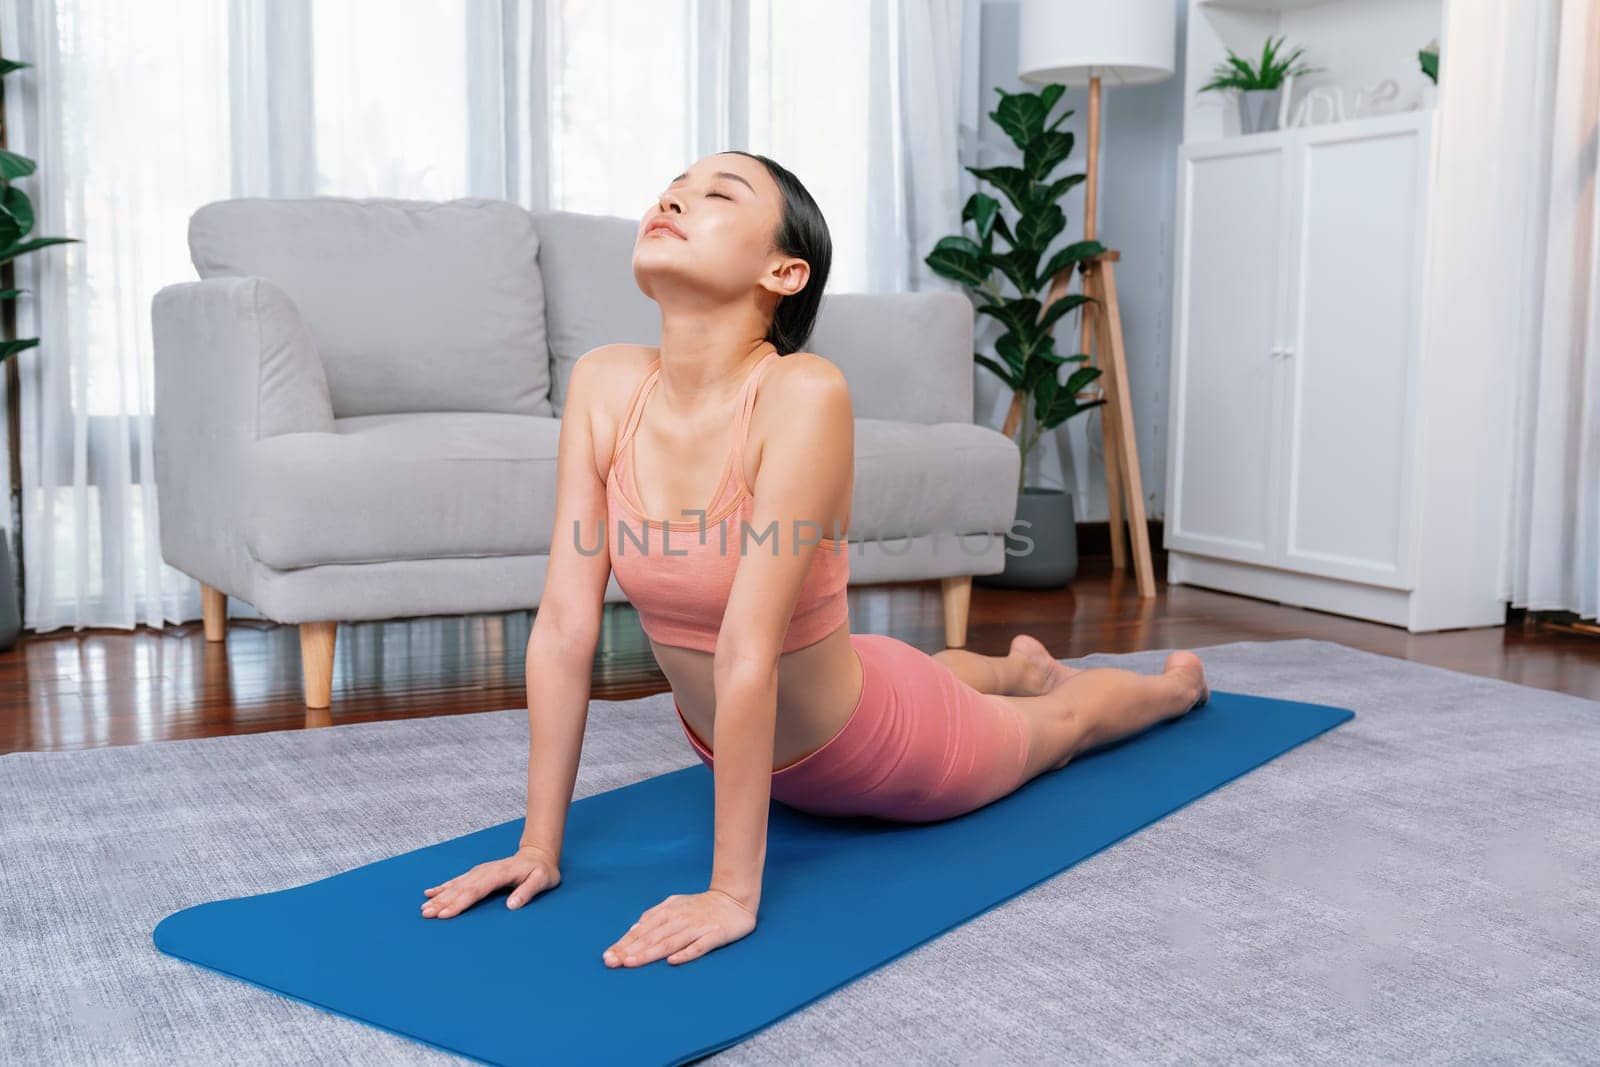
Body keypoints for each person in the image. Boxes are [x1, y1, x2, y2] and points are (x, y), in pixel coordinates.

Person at [419, 151, 1210, 970]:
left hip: (875, 745)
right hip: (778, 709)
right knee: (909, 662)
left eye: (717, 193)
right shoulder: (604, 384)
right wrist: (538, 845)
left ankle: (1167, 687)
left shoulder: (802, 394)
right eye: (672, 189)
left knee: (1059, 728)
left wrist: (732, 892)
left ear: (784, 272)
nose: (674, 199)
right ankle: (1019, 665)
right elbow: (563, 625)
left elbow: (747, 647)